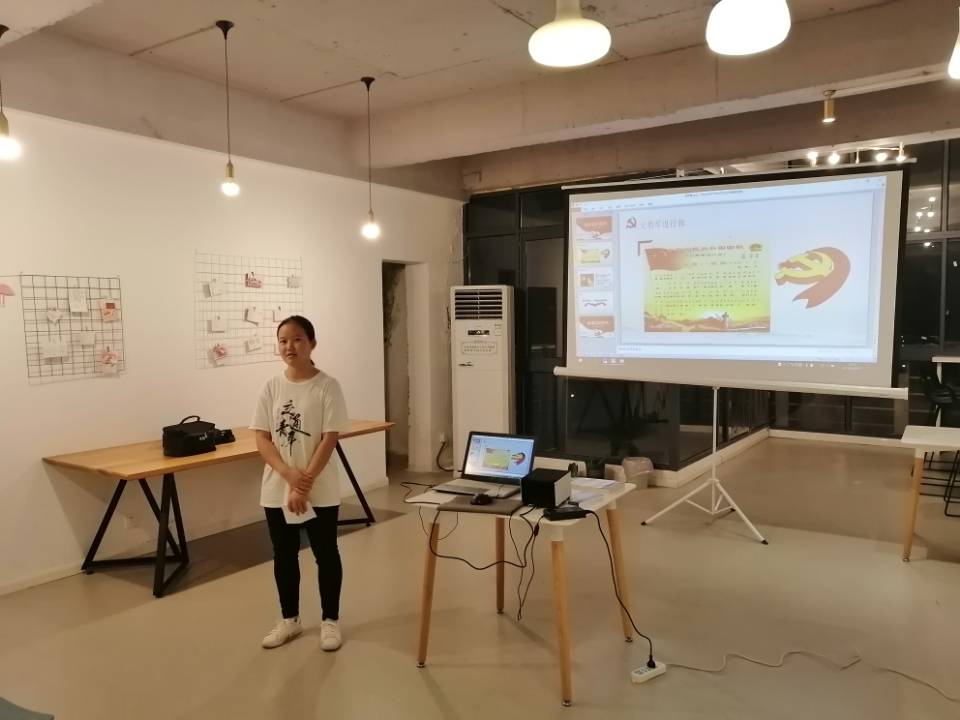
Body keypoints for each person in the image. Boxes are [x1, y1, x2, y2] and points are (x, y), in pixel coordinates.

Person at [250, 315, 349, 651]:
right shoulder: (271, 387)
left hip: (319, 487)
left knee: (326, 554)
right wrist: (288, 475)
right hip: (276, 486)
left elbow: (329, 438)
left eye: (297, 339)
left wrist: (302, 484)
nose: (289, 347)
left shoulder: (328, 386)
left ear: (312, 344)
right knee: (284, 555)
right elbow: (261, 437)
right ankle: (289, 620)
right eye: (283, 341)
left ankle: (330, 620)